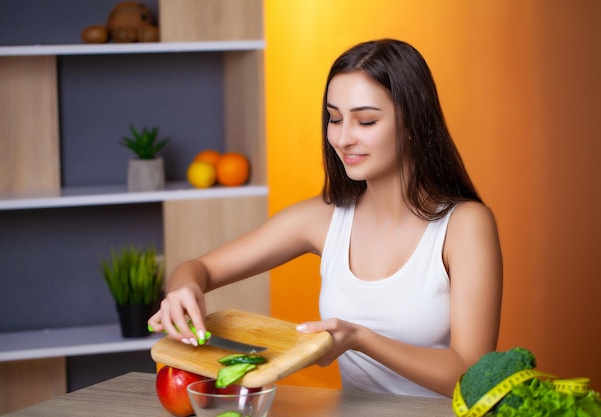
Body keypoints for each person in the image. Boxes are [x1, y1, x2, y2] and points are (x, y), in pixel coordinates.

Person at [148, 38, 503, 398]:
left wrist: (360, 339)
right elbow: (198, 269)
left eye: (365, 121)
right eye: (334, 118)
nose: (342, 137)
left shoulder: (465, 226)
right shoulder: (323, 218)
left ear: (412, 123)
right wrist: (184, 290)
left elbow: (472, 374)